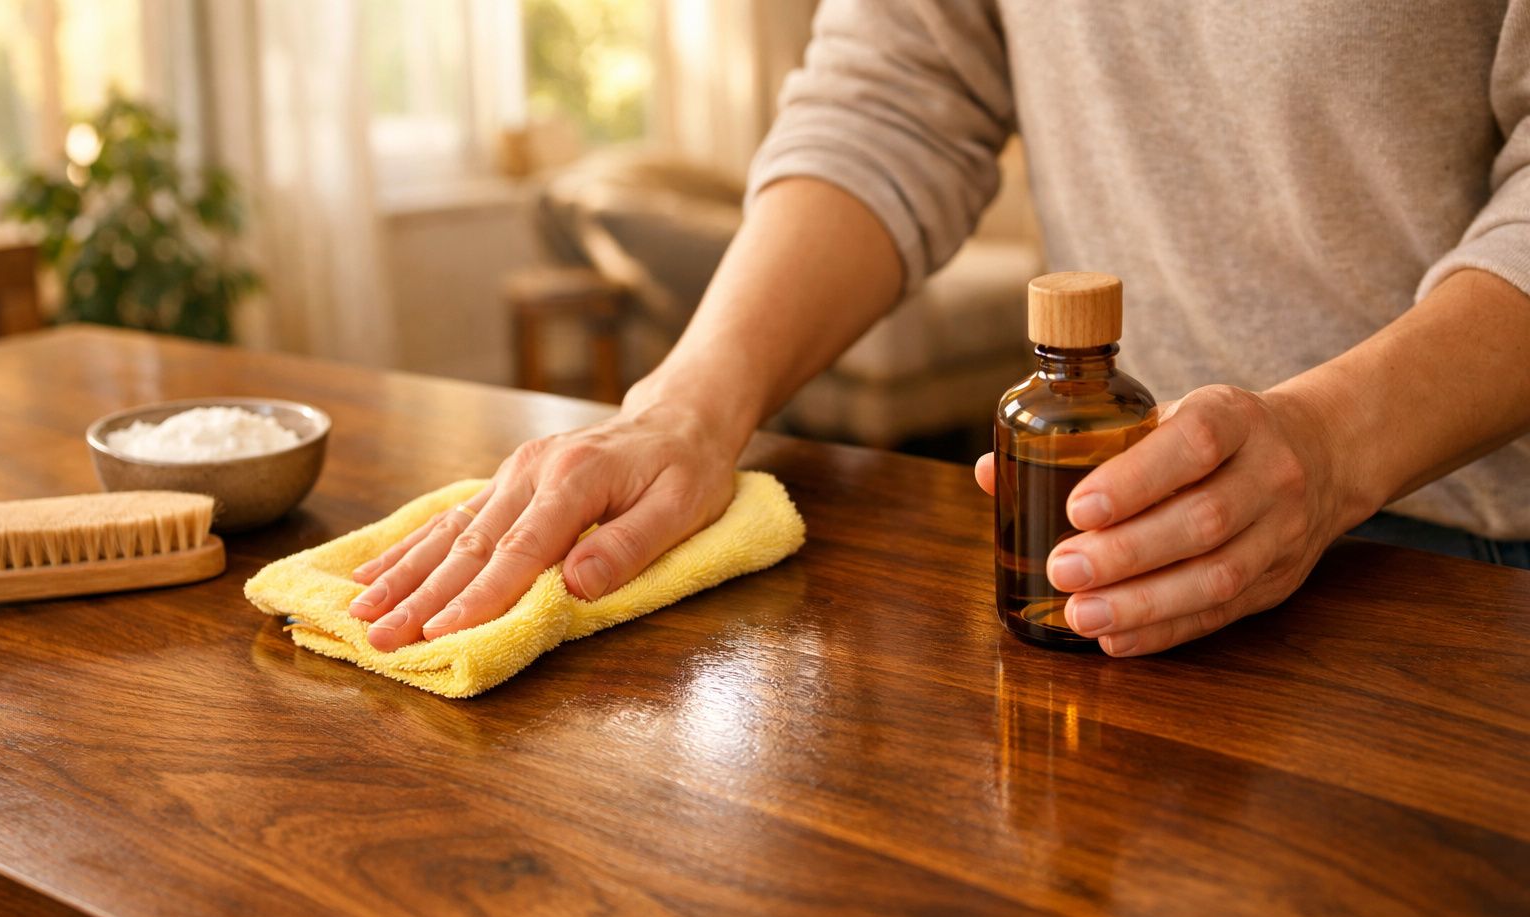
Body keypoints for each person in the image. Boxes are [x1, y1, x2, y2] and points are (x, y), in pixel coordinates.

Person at [350, 1, 1530, 657]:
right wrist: (685, 405)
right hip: (1132, 575)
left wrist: (1328, 449)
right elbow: (895, 95)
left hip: (1474, 568)